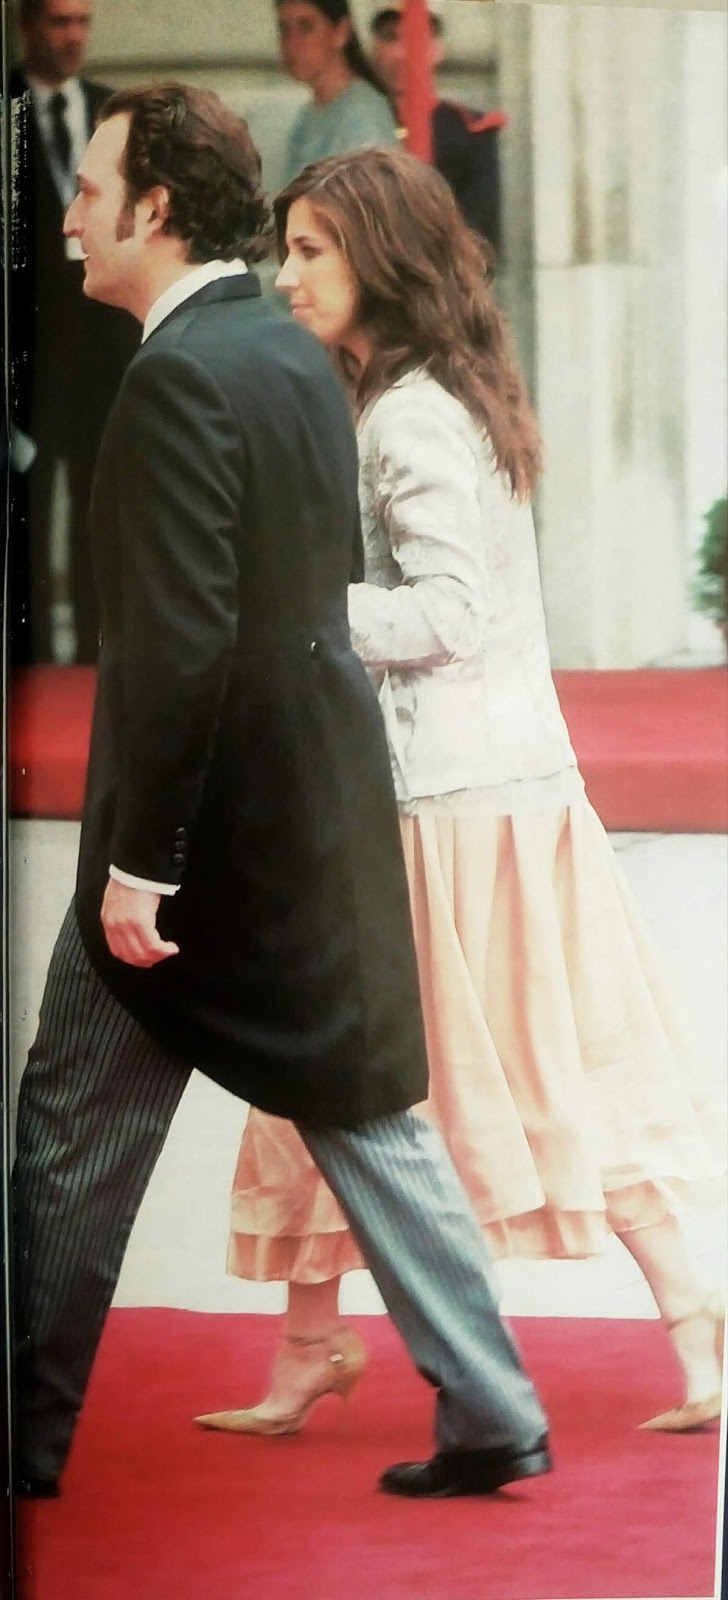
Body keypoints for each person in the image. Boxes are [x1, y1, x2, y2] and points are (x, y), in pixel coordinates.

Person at [12, 81, 553, 1506]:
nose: (67, 217)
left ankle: (20, 1435)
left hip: (195, 846)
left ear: (155, 209)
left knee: (69, 1133)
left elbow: (181, 643)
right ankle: (493, 1405)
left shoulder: (179, 377)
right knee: (360, 1107)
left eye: (91, 191)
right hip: (306, 815)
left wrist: (143, 859)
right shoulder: (284, 352)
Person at [199, 146, 725, 1445]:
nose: (285, 273)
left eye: (311, 249)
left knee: (355, 1059)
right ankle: (684, 1320)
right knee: (506, 1064)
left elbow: (448, 611)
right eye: (286, 247)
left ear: (378, 260)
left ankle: (690, 1318)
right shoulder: (425, 393)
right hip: (480, 792)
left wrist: (291, 608)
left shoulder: (411, 415)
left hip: (445, 804)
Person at [9, 0, 138, 664]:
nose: (73, 36)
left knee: (99, 501)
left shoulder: (110, 111)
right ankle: (27, 652)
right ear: (28, 26)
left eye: (82, 22)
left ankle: (94, 649)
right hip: (28, 346)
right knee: (26, 501)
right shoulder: (9, 104)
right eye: (60, 22)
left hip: (102, 348)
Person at [370, 3, 506, 254]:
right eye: (390, 38)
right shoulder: (357, 120)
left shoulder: (469, 131)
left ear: (438, 50)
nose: (401, 53)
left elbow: (480, 229)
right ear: (374, 49)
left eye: (416, 37)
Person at [277, 0, 398, 185]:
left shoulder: (363, 115)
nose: (292, 43)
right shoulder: (308, 115)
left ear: (340, 32)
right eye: (285, 29)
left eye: (306, 27)